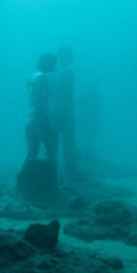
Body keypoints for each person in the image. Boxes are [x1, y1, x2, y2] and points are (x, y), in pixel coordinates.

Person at [24, 53, 60, 176]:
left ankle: (22, 180)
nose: (54, 67)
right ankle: (52, 181)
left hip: (30, 118)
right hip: (40, 118)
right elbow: (40, 103)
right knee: (51, 151)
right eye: (53, 64)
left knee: (31, 152)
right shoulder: (42, 77)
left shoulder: (31, 76)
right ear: (47, 63)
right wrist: (50, 123)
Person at [51, 45, 80, 179]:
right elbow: (67, 96)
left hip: (54, 112)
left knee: (53, 144)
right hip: (66, 113)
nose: (73, 57)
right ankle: (71, 170)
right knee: (69, 143)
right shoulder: (68, 73)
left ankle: (51, 170)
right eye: (71, 55)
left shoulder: (52, 72)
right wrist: (70, 114)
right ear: (66, 57)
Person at [80, 81, 101, 160]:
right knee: (89, 135)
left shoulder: (93, 96)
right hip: (89, 118)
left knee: (90, 135)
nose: (94, 89)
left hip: (91, 118)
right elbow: (81, 107)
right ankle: (87, 151)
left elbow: (97, 109)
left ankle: (87, 151)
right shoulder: (89, 96)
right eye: (93, 87)